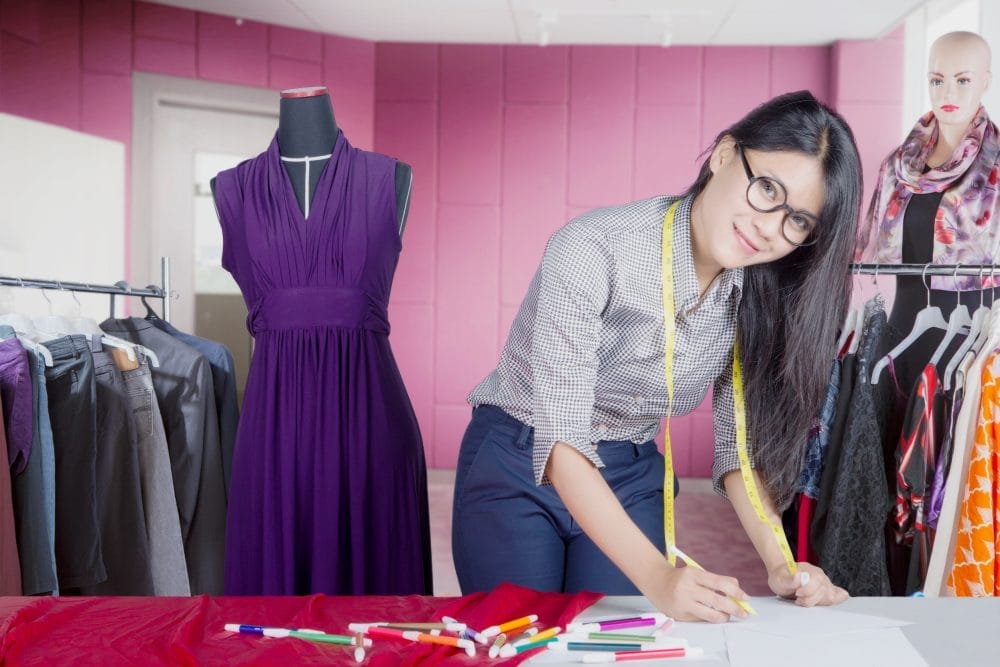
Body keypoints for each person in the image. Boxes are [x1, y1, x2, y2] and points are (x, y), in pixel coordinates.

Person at [453, 90, 860, 622]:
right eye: (766, 189)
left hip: (629, 468)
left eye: (798, 221)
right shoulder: (591, 248)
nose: (768, 227)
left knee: (615, 639)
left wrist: (782, 565)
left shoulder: (757, 293)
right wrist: (659, 578)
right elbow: (561, 442)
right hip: (521, 453)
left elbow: (737, 447)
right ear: (724, 154)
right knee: (522, 640)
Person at [855, 31, 997, 595]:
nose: (949, 91)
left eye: (964, 79)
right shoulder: (900, 164)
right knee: (892, 474)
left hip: (968, 340)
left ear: (985, 82)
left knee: (951, 475)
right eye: (938, 78)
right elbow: (871, 254)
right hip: (908, 334)